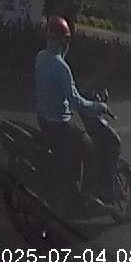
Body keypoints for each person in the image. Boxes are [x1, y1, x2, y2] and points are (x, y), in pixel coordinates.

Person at [35, 16, 112, 207]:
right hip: (59, 124)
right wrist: (100, 107)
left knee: (74, 150)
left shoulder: (41, 57)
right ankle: (86, 196)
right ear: (64, 40)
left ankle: (70, 185)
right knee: (91, 148)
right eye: (67, 39)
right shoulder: (62, 68)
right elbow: (77, 103)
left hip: (43, 119)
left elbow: (60, 91)